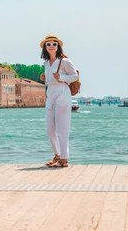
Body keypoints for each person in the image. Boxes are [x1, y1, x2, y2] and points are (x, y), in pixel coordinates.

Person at [40, 35, 79, 168]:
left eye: (54, 44)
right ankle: (57, 155)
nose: (51, 46)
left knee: (63, 128)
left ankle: (64, 158)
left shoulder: (65, 61)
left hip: (62, 93)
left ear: (58, 46)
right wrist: (45, 78)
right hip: (50, 94)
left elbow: (75, 76)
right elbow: (49, 81)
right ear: (45, 47)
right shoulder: (46, 63)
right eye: (48, 44)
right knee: (50, 129)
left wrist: (61, 77)